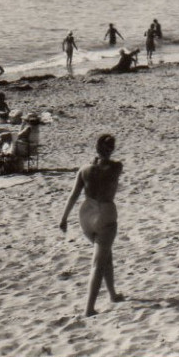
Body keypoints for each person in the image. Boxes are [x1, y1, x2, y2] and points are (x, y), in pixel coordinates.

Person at [59, 134, 125, 317]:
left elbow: (73, 195)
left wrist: (63, 219)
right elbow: (109, 168)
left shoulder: (84, 169)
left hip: (86, 214)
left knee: (105, 254)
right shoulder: (116, 167)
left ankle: (112, 294)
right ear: (112, 149)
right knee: (98, 262)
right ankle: (89, 308)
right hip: (105, 212)